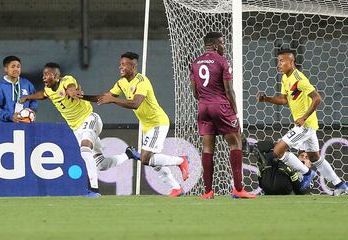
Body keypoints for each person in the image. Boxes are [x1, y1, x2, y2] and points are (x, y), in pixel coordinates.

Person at [82, 52, 189, 197]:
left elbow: (135, 103)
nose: (120, 67)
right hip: (147, 125)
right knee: (155, 162)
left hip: (157, 123)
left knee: (145, 158)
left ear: (133, 66)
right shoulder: (121, 83)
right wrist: (82, 97)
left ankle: (181, 160)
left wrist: (113, 100)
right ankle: (176, 188)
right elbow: (104, 97)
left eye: (124, 64)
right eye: (120, 64)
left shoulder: (141, 81)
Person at [257, 49, 347, 196]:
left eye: (282, 61)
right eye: (278, 61)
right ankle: (340, 184)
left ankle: (306, 173)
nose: (278, 64)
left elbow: (317, 98)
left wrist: (304, 117)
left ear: (292, 62)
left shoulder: (299, 79)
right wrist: (266, 99)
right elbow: (284, 100)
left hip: (305, 124)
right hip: (305, 125)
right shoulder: (286, 78)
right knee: (315, 158)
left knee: (278, 151)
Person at [20, 62, 104, 198]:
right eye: (43, 75)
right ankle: (128, 154)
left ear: (57, 76)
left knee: (84, 151)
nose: (44, 77)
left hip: (89, 118)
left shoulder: (67, 81)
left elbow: (70, 87)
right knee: (101, 163)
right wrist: (28, 97)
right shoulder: (48, 89)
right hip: (77, 128)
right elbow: (43, 95)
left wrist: (72, 92)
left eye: (47, 74)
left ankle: (94, 190)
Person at [189, 31, 256, 199]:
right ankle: (239, 190)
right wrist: (235, 111)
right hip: (221, 106)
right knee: (236, 143)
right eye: (223, 43)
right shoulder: (222, 61)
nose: (224, 47)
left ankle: (208, 192)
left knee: (207, 147)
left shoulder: (195, 62)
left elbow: (195, 91)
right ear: (216, 44)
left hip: (203, 107)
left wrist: (206, 99)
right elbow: (229, 90)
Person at [245, 139, 311, 195]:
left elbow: (302, 192)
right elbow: (261, 185)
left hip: (285, 191)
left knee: (280, 160)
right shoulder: (292, 163)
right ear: (297, 157)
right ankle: (251, 148)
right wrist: (261, 172)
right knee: (273, 148)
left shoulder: (308, 176)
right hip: (269, 183)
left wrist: (292, 174)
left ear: (310, 164)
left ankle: (254, 150)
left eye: (307, 157)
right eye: (302, 156)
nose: (304, 158)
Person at [0, 56, 37, 122]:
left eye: (18, 67)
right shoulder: (0, 88)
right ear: (6, 69)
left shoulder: (27, 84)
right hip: (6, 126)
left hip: (25, 123)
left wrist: (31, 112)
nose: (16, 69)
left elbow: (34, 100)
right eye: (13, 67)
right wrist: (10, 116)